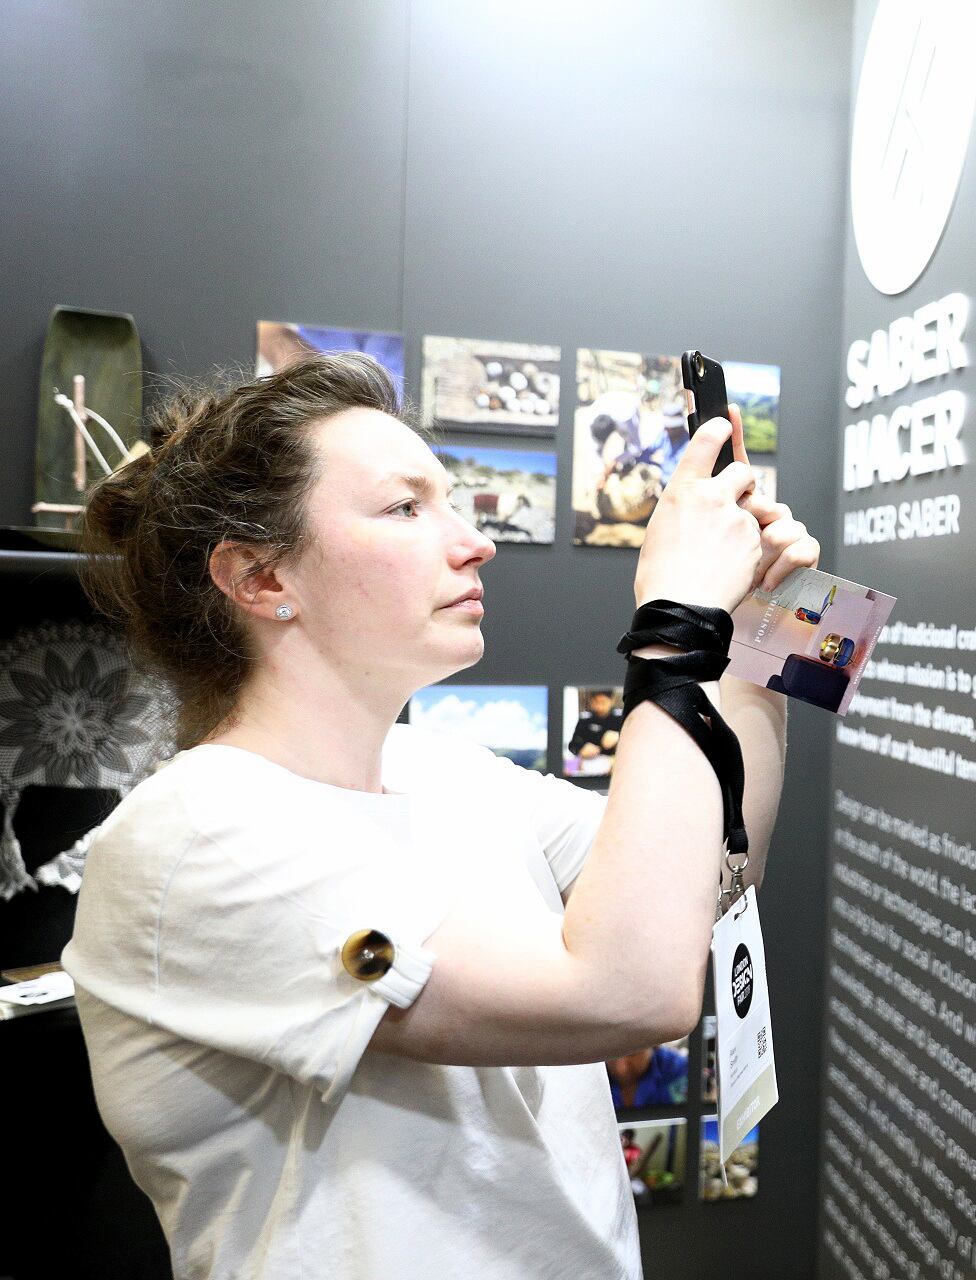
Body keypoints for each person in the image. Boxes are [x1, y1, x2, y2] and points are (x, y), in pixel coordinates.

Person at [60, 352, 818, 1278]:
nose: (474, 541)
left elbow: (711, 879)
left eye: (451, 502)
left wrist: (751, 635)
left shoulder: (440, 769)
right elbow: (630, 991)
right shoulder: (197, 837)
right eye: (405, 508)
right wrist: (677, 625)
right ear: (260, 579)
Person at [606, 1043, 688, 1108]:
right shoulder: (598, 1069)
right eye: (610, 1054)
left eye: (632, 1054)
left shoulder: (679, 1070)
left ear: (655, 1044)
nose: (620, 1068)